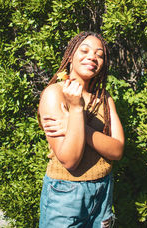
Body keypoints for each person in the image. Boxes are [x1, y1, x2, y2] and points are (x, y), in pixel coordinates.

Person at [38, 31, 125, 228]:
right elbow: (70, 160)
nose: (92, 57)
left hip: (103, 190)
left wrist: (76, 126)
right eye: (84, 50)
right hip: (65, 195)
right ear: (70, 56)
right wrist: (76, 108)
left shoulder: (104, 98)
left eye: (99, 54)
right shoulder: (55, 94)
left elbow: (117, 150)